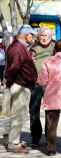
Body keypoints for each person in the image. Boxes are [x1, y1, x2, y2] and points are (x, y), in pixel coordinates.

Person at [4, 24, 37, 153]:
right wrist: (11, 82)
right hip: (20, 86)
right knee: (18, 116)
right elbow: (13, 68)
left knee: (18, 115)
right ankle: (13, 143)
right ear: (26, 35)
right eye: (32, 35)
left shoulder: (19, 47)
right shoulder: (18, 48)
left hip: (21, 85)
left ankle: (13, 140)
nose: (33, 38)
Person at [28, 27, 55, 148]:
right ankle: (35, 136)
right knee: (34, 111)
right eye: (42, 35)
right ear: (38, 36)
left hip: (51, 84)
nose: (44, 38)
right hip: (36, 84)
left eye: (46, 35)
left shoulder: (56, 47)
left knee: (51, 112)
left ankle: (50, 138)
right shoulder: (32, 48)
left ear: (51, 36)